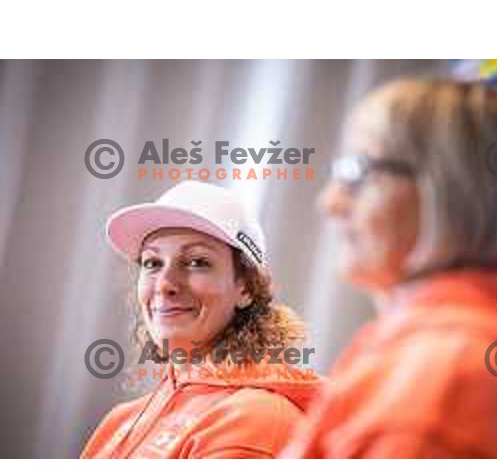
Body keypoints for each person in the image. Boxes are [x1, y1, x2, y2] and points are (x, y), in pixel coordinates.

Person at [282, 79, 497, 459]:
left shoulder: (442, 375)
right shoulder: (466, 351)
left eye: (358, 172)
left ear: (448, 189)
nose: (330, 202)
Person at [81, 181, 320, 459]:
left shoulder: (257, 420)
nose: (165, 284)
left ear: (245, 288)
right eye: (152, 263)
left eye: (197, 262)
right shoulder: (120, 422)